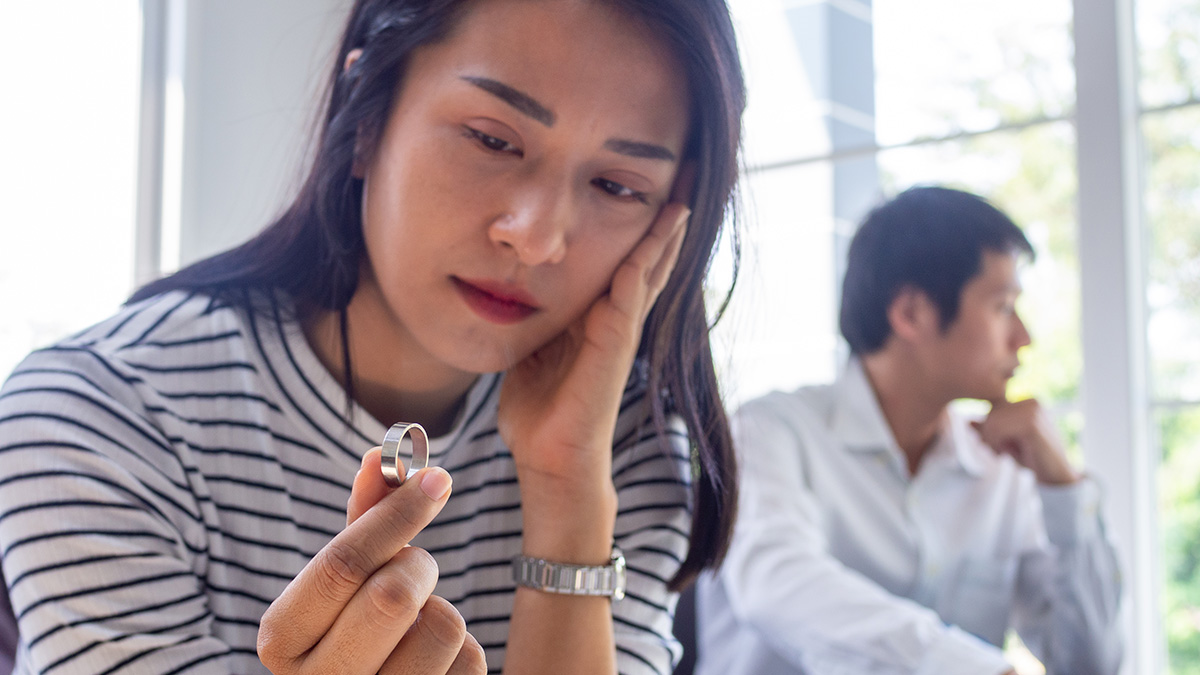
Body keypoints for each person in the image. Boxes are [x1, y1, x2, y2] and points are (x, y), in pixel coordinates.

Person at [0, 0, 747, 672]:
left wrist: (567, 492)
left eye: (617, 186)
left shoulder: (623, 442)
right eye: (492, 139)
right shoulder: (96, 416)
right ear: (364, 117)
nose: (538, 237)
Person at [695, 186, 1123, 675]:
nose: (1024, 337)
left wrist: (1063, 488)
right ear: (912, 313)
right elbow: (777, 586)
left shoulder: (1001, 468)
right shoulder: (772, 431)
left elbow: (1091, 664)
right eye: (1003, 306)